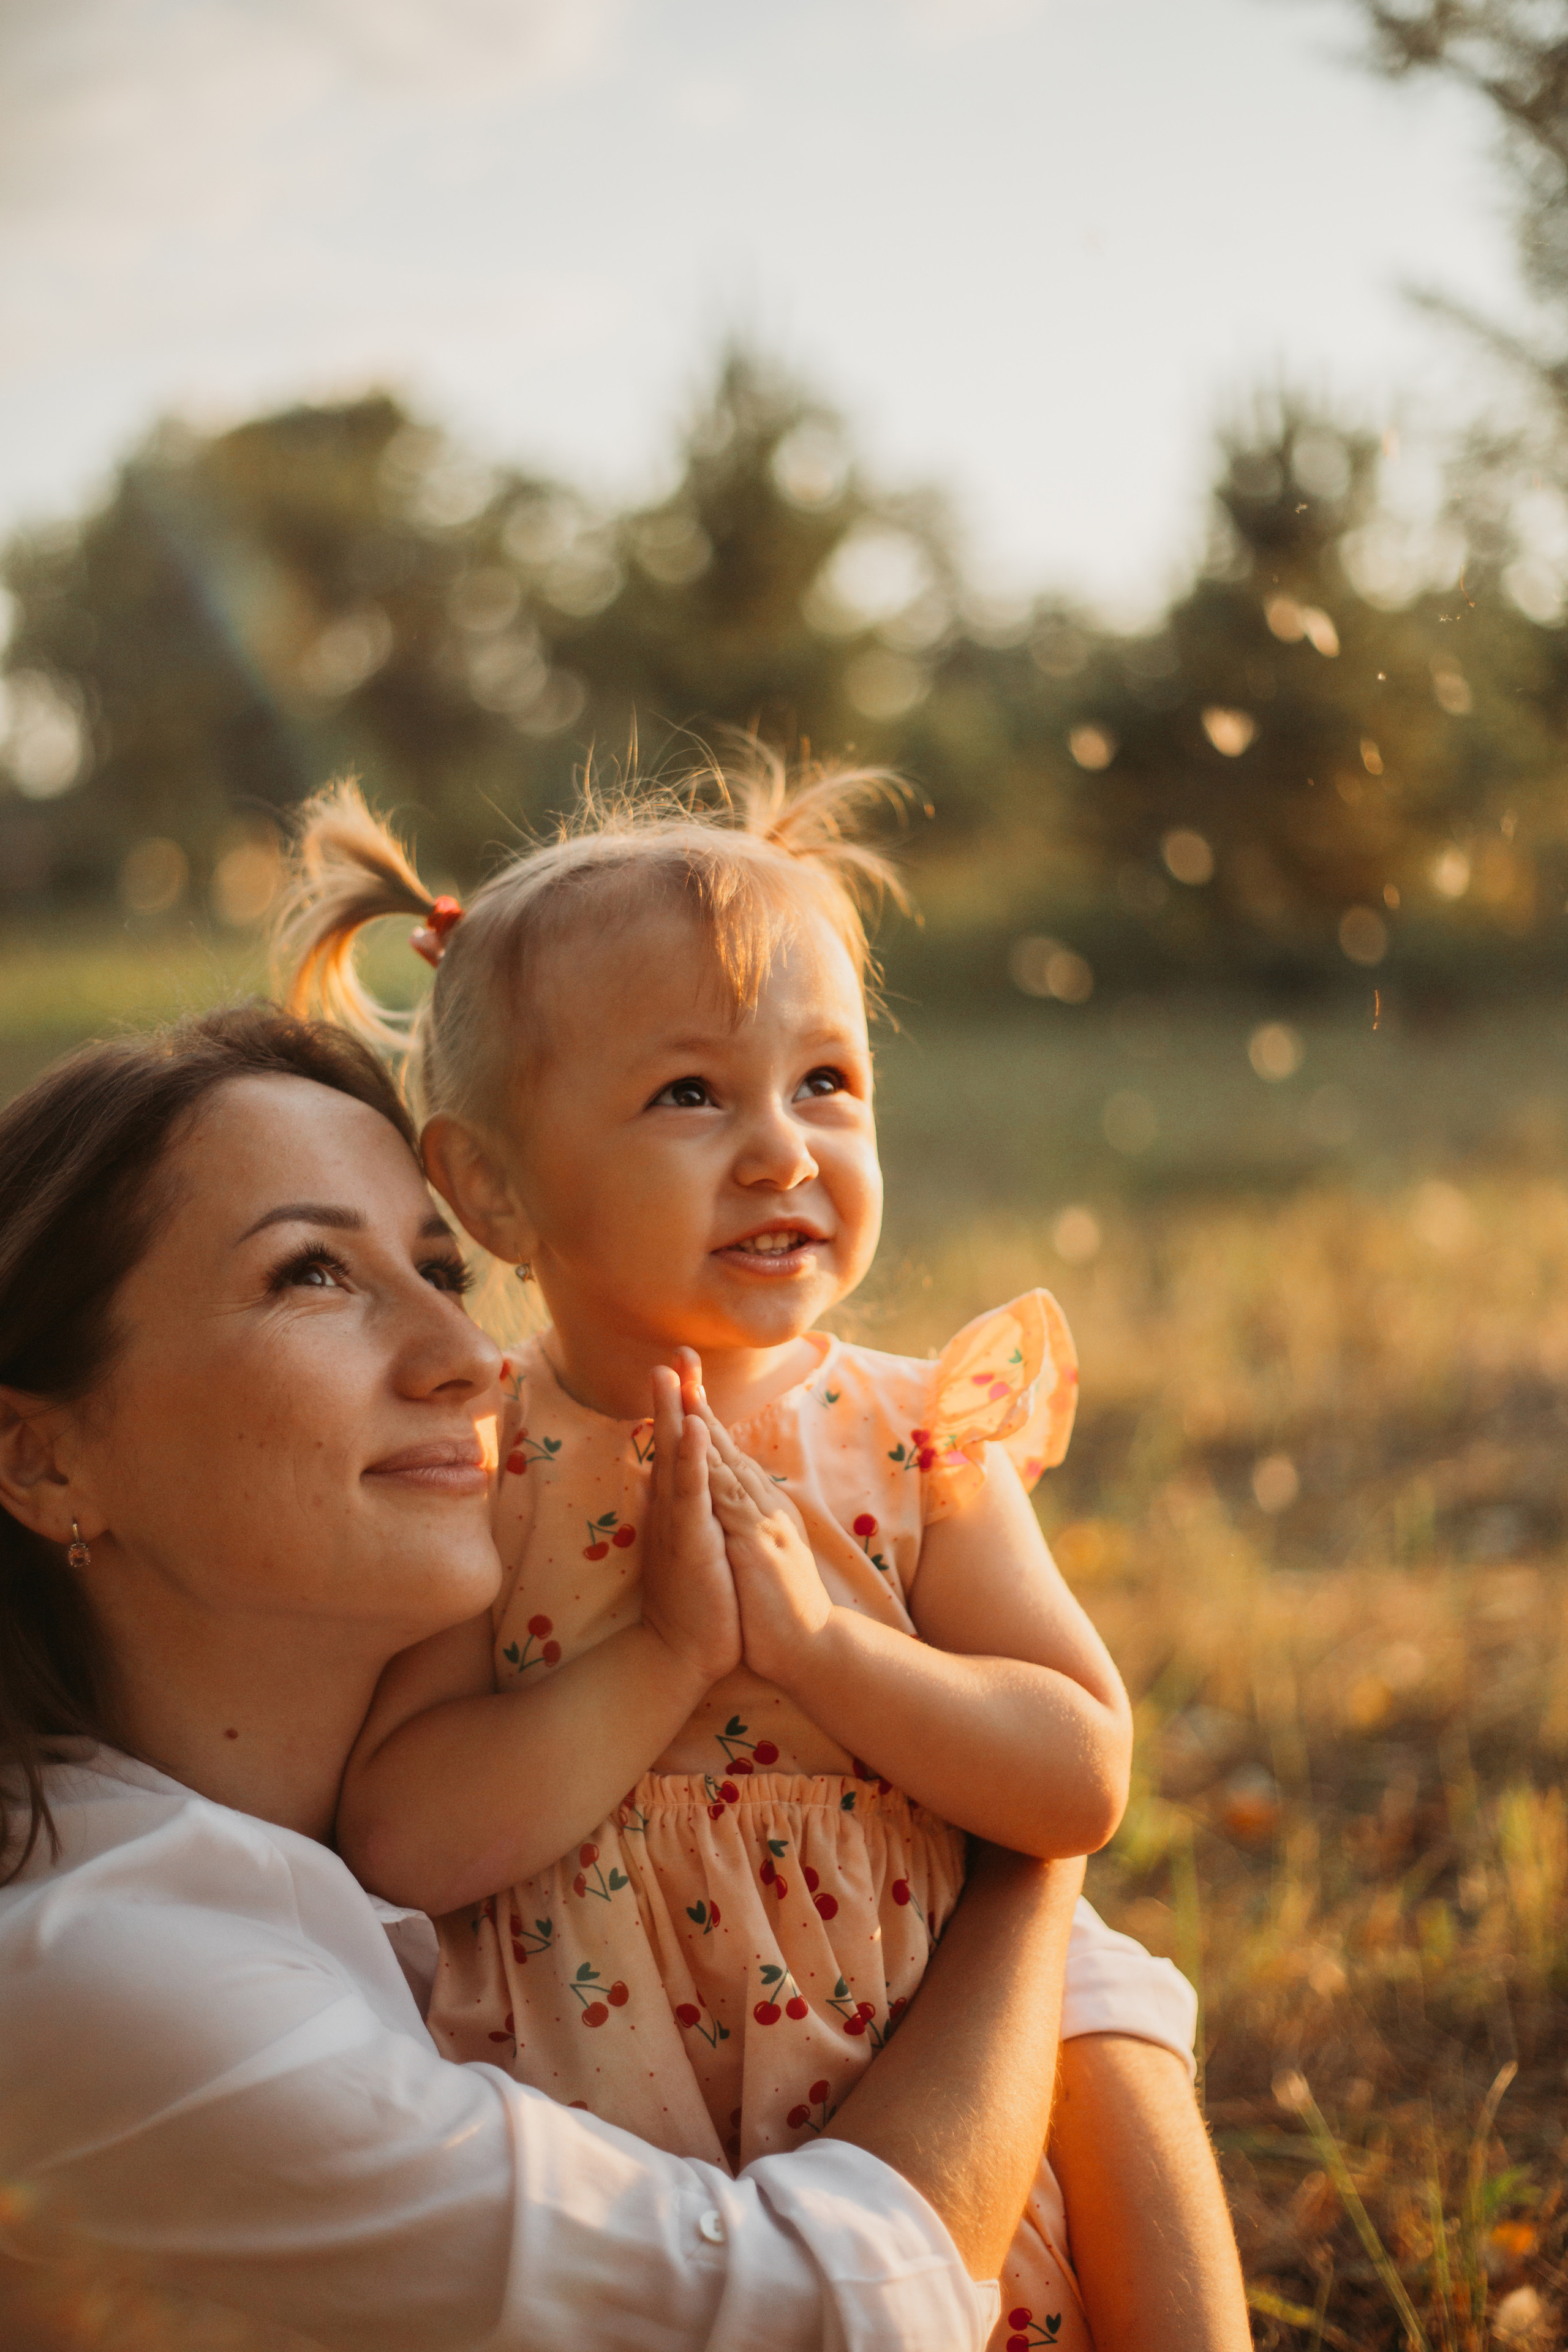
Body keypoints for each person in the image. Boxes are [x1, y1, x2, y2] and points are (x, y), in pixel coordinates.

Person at [280, 754, 1251, 2350]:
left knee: (1107, 2073)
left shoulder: (917, 1439)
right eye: (691, 1095)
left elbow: (1078, 1774)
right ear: (493, 1187)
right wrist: (666, 1658)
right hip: (610, 2119)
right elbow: (408, 1834)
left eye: (826, 1083)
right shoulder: (489, 1459)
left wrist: (820, 1648)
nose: (783, 1152)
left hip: (924, 2073)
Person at [0, 1004, 1090, 2352]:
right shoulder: (106, 1974)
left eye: (441, 1270)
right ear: (43, 1459)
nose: (469, 1360)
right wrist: (1032, 1869)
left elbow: (1095, 2006)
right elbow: (821, 2312)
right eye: (310, 1274)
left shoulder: (536, 1757)